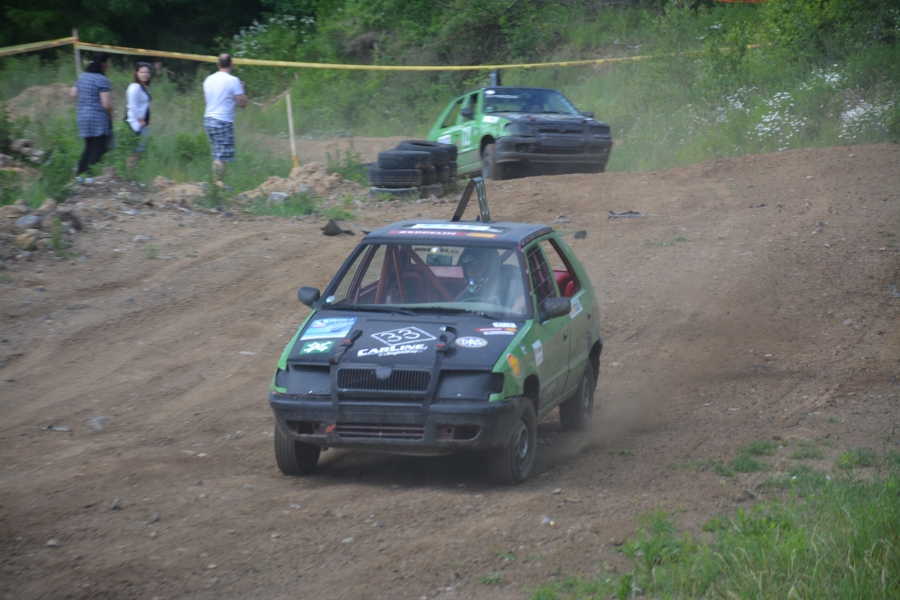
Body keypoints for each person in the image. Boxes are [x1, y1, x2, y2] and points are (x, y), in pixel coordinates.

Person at [202, 54, 247, 180]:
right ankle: (217, 184)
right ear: (231, 64)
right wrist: (242, 90)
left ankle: (216, 183)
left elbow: (208, 101)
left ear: (218, 64)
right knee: (220, 157)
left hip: (208, 119)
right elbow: (242, 103)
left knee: (217, 154)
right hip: (222, 121)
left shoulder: (208, 79)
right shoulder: (234, 81)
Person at [71, 52, 113, 180]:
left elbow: (73, 93)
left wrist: (85, 101)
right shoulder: (102, 79)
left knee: (89, 147)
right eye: (108, 62)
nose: (109, 66)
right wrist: (111, 115)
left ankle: (79, 176)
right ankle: (89, 175)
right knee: (100, 148)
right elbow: (106, 104)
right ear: (103, 63)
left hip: (82, 116)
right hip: (98, 118)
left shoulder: (83, 76)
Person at [456, 247, 526, 311]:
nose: (473, 272)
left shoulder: (512, 290)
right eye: (469, 268)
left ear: (492, 266)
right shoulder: (463, 299)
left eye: (478, 266)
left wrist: (515, 309)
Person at [126, 62, 153, 154]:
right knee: (134, 152)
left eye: (147, 72)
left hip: (142, 124)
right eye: (142, 72)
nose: (145, 74)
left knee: (139, 151)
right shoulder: (135, 87)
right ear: (136, 73)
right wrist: (141, 121)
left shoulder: (144, 87)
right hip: (135, 124)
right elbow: (132, 105)